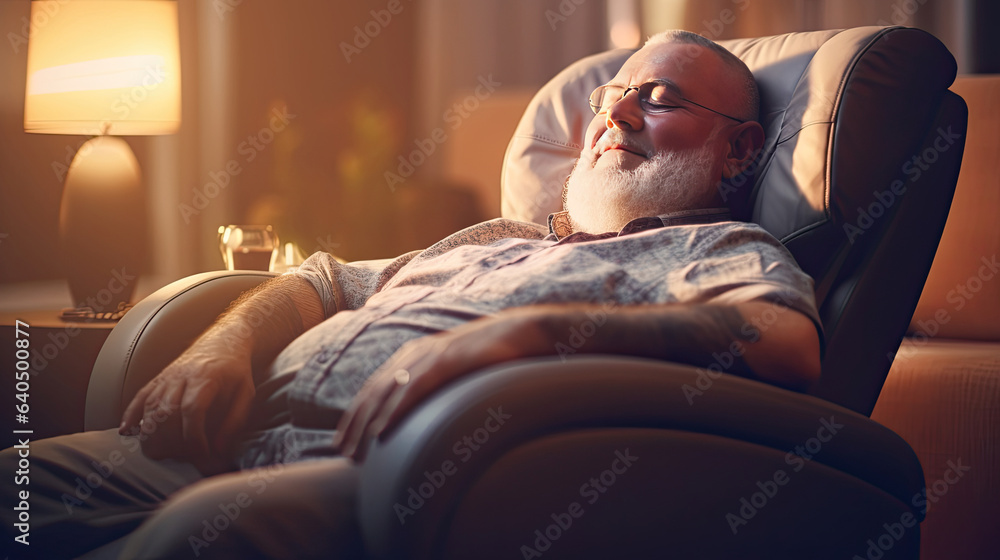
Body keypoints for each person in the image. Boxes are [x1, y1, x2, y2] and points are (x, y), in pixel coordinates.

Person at [1, 30, 821, 559]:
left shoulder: (717, 246)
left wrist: (528, 332)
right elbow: (318, 280)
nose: (619, 118)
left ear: (741, 149)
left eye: (662, 98)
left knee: (187, 543)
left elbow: (784, 340)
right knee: (20, 489)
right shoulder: (500, 237)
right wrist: (223, 344)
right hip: (218, 436)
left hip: (393, 472)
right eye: (613, 99)